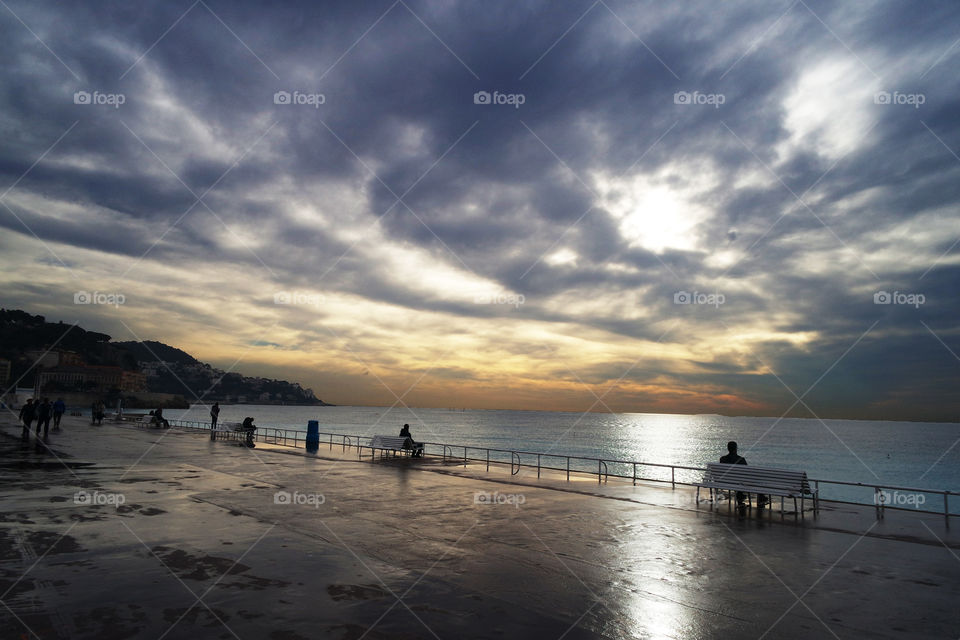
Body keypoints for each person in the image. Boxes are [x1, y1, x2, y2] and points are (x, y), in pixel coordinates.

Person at [719, 441, 767, 508]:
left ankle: (740, 497)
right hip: (738, 482)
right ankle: (761, 498)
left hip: (727, 482)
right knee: (757, 481)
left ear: (728, 448)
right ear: (736, 448)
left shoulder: (722, 459)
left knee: (739, 480)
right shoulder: (741, 460)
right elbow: (747, 472)